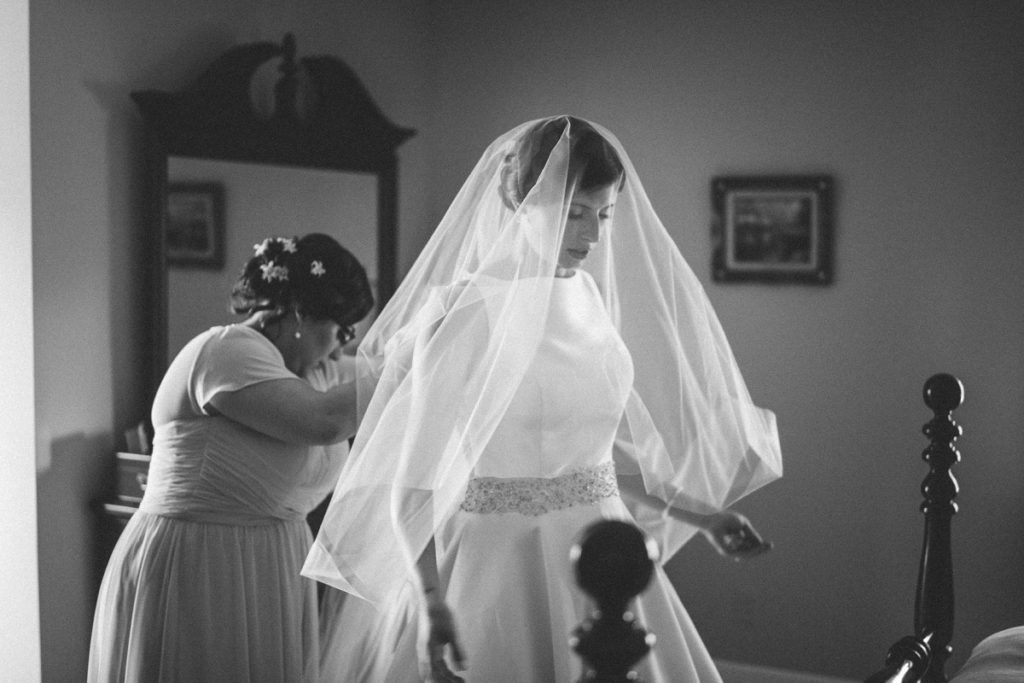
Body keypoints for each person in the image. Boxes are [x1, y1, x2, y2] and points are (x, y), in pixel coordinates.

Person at [304, 117, 783, 682]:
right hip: (494, 569)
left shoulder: (585, 294)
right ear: (521, 203)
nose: (593, 236)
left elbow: (589, 464)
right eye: (574, 212)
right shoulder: (467, 313)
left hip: (606, 559)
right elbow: (408, 482)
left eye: (604, 214)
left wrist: (703, 516)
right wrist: (431, 602)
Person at [88, 233, 374, 682]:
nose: (341, 348)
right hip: (199, 562)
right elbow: (323, 421)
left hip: (271, 567)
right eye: (342, 331)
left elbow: (376, 373)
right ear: (301, 313)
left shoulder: (312, 368)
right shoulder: (227, 351)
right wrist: (404, 369)